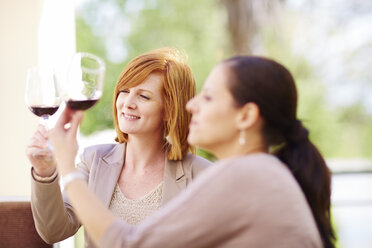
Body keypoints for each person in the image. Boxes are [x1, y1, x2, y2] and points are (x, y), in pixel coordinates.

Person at [47, 56, 336, 247]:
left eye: (208, 97)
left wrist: (67, 166)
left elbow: (129, 245)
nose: (191, 106)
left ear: (246, 116)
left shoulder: (247, 175)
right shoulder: (262, 173)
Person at [27, 47, 212, 247]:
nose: (127, 103)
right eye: (124, 91)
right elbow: (53, 231)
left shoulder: (201, 175)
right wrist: (44, 172)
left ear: (170, 109)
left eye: (144, 96)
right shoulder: (94, 161)